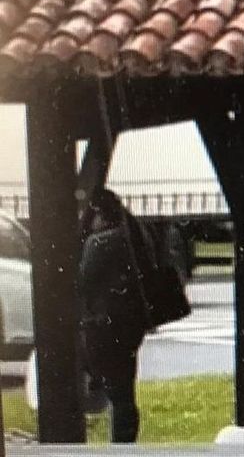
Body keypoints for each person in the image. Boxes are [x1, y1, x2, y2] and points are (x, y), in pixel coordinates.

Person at [79, 189, 154, 443]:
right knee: (124, 391)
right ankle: (125, 441)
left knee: (112, 387)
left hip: (103, 325)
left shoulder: (98, 243)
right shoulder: (133, 236)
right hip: (130, 325)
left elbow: (84, 282)